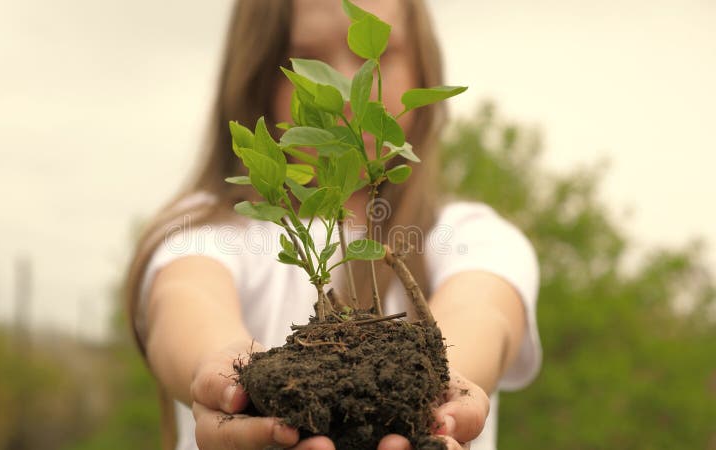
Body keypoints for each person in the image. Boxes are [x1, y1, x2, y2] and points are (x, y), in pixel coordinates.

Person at [125, 1, 541, 449]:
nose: (346, 89)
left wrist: (437, 383)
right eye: (309, 60)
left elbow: (482, 312)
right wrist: (221, 368)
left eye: (374, 58)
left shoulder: (469, 235)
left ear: (424, 66)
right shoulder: (212, 229)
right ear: (257, 76)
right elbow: (186, 297)